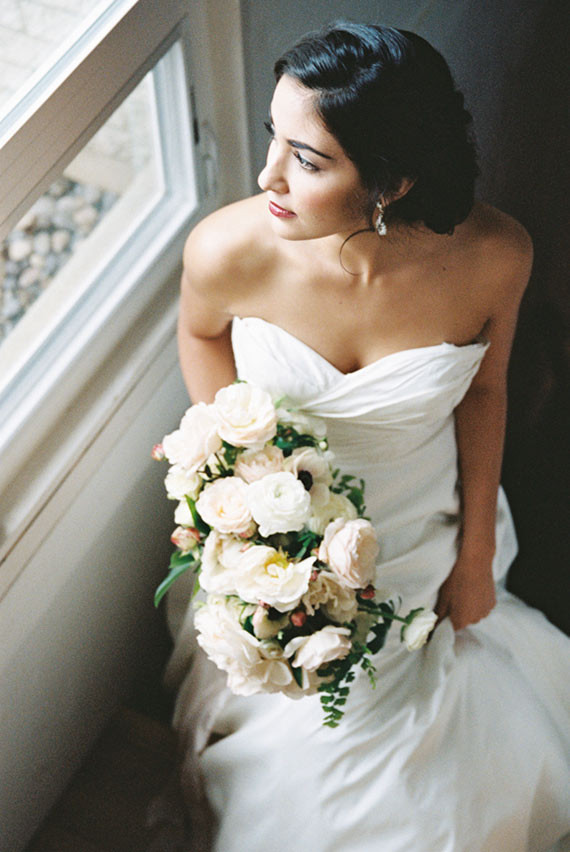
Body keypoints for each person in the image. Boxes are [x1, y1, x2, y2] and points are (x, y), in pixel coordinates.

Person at [166, 22, 570, 852]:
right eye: (274, 139)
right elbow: (201, 334)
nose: (266, 176)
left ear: (392, 182)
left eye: (307, 161)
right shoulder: (228, 249)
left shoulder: (495, 256)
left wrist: (475, 555)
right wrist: (238, 476)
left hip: (424, 522)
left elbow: (484, 392)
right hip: (287, 530)